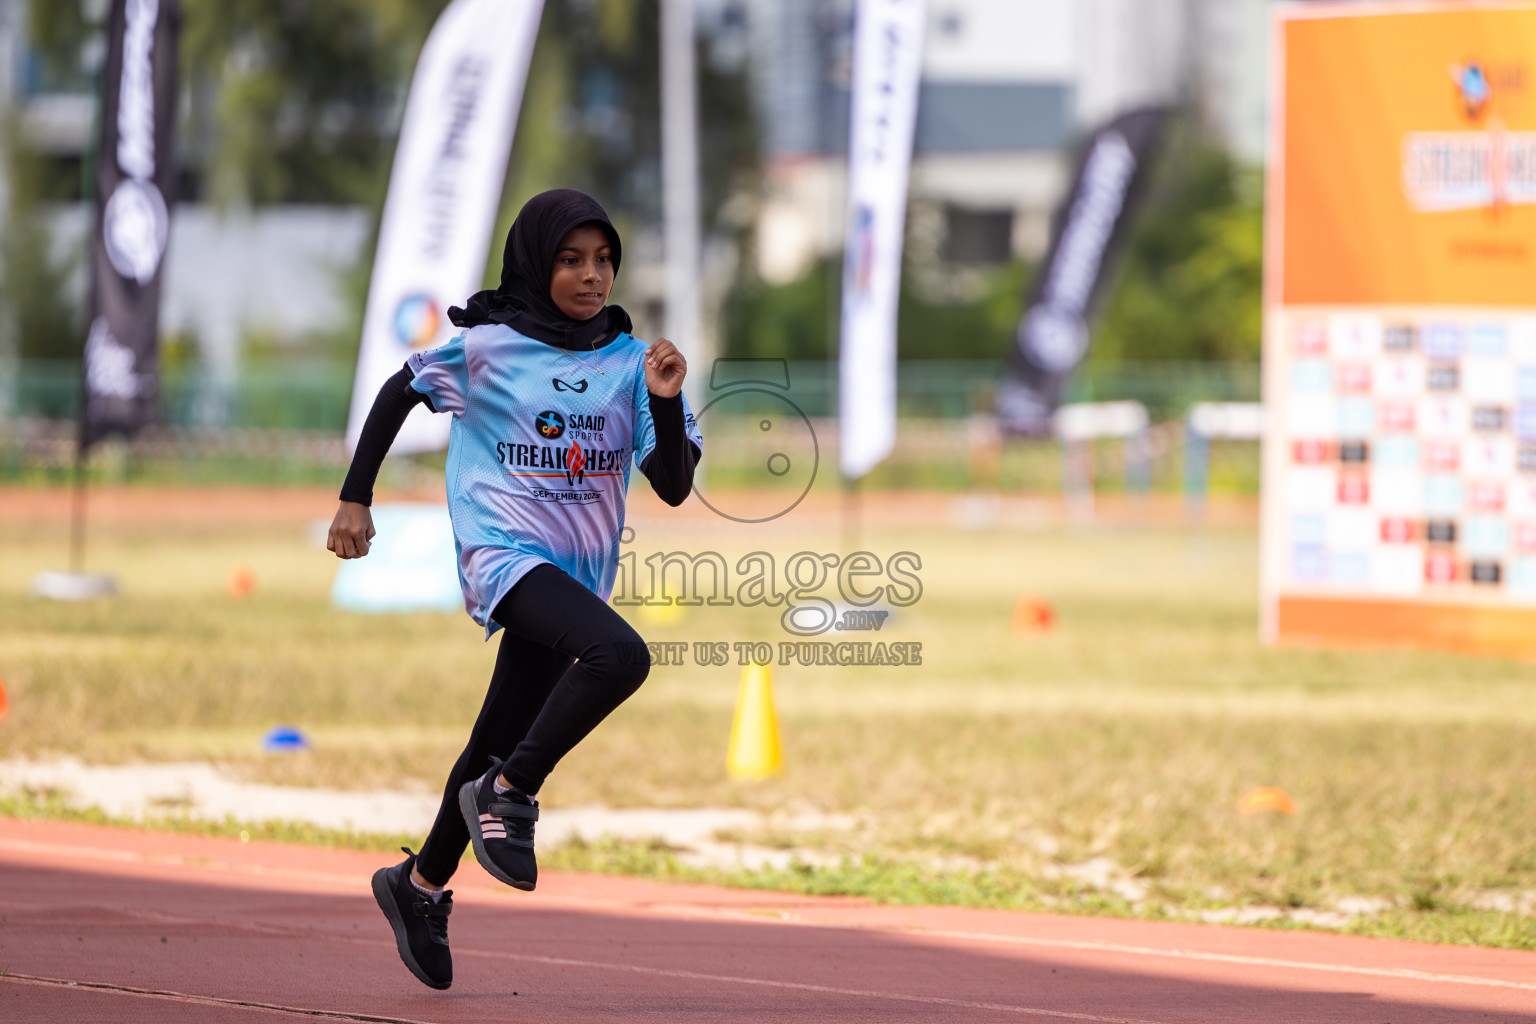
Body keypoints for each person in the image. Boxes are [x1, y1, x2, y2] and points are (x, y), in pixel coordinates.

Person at [327, 189, 702, 990]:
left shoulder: (631, 362)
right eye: (571, 259)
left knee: (498, 729)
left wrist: (665, 404)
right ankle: (510, 792)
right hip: (504, 556)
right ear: (538, 262)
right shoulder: (489, 348)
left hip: (574, 574)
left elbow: (672, 485)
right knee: (619, 655)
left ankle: (419, 885)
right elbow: (400, 389)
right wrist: (356, 495)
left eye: (603, 260)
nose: (591, 275)